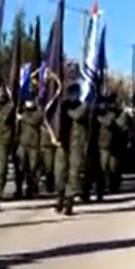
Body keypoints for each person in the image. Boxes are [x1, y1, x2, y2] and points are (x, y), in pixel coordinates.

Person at [56, 83, 89, 215]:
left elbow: (77, 115)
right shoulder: (62, 106)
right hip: (62, 143)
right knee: (59, 172)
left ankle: (69, 202)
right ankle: (60, 197)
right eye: (70, 93)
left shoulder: (83, 106)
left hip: (77, 145)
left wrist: (64, 110)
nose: (72, 95)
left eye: (74, 93)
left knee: (73, 174)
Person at [15, 97, 45, 200]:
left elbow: (35, 121)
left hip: (34, 145)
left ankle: (31, 189)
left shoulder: (38, 112)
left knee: (33, 169)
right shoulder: (22, 112)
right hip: (22, 144)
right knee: (20, 168)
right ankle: (19, 189)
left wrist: (22, 117)